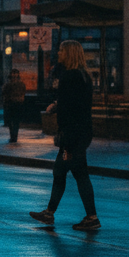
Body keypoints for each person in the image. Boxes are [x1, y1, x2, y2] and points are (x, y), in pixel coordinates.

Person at [29, 41, 100, 230]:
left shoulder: (69, 76)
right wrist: (57, 105)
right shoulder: (84, 76)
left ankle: (91, 217)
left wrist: (65, 136)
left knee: (78, 174)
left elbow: (70, 108)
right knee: (61, 172)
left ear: (69, 53)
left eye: (61, 50)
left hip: (72, 133)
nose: (58, 53)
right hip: (82, 131)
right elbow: (76, 103)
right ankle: (50, 213)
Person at [2, 69, 26, 144]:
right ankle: (14, 136)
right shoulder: (21, 84)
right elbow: (23, 93)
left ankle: (13, 136)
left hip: (11, 103)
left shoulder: (8, 85)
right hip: (17, 103)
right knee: (16, 121)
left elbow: (4, 93)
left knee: (11, 121)